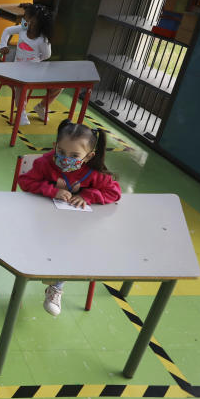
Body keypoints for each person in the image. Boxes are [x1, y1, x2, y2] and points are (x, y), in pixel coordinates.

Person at [18, 119, 122, 316]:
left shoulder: (93, 172)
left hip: (74, 229)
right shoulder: (45, 163)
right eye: (62, 152)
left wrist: (87, 196)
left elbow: (114, 192)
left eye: (74, 155)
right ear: (56, 146)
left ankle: (56, 287)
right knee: (38, 248)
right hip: (40, 221)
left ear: (89, 156)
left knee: (70, 250)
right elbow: (25, 181)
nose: (66, 159)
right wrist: (51, 191)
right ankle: (28, 279)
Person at [0, 3, 59, 126]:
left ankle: (41, 106)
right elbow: (7, 31)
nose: (23, 20)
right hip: (18, 70)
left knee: (59, 86)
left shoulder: (43, 40)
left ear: (35, 22)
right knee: (21, 86)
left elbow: (46, 55)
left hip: (35, 70)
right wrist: (3, 45)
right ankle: (21, 112)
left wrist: (34, 61)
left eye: (26, 17)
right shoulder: (23, 29)